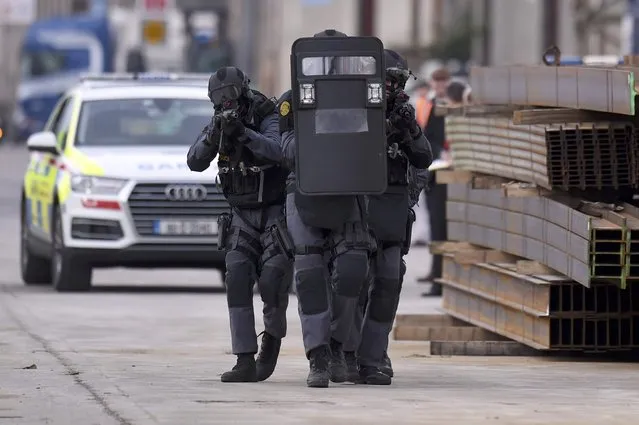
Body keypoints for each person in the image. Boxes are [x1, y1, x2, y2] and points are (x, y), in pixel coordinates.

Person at [278, 29, 376, 388]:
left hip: (347, 193)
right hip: (304, 193)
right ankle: (317, 357)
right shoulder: (292, 100)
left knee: (352, 269)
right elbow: (285, 147)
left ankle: (337, 345)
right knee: (308, 275)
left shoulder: (365, 97)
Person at [187, 66, 292, 383]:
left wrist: (244, 134)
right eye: (219, 101)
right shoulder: (219, 120)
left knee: (273, 280)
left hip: (273, 211)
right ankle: (244, 359)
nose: (226, 105)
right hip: (241, 214)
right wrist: (217, 133)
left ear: (243, 92)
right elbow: (194, 161)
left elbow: (277, 151)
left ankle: (270, 345)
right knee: (236, 278)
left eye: (230, 98)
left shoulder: (267, 112)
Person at [343, 50, 432, 385]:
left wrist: (407, 128)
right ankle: (348, 354)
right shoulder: (355, 111)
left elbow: (423, 160)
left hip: (392, 212)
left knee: (388, 282)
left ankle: (373, 357)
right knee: (353, 284)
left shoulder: (406, 114)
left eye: (398, 80)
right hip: (358, 210)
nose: (393, 86)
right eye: (388, 79)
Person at [417, 68, 452, 296]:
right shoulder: (427, 104)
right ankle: (436, 271)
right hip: (433, 172)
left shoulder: (448, 106)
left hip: (447, 172)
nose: (439, 86)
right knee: (435, 225)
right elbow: (426, 136)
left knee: (442, 227)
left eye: (443, 82)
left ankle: (440, 279)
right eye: (437, 82)